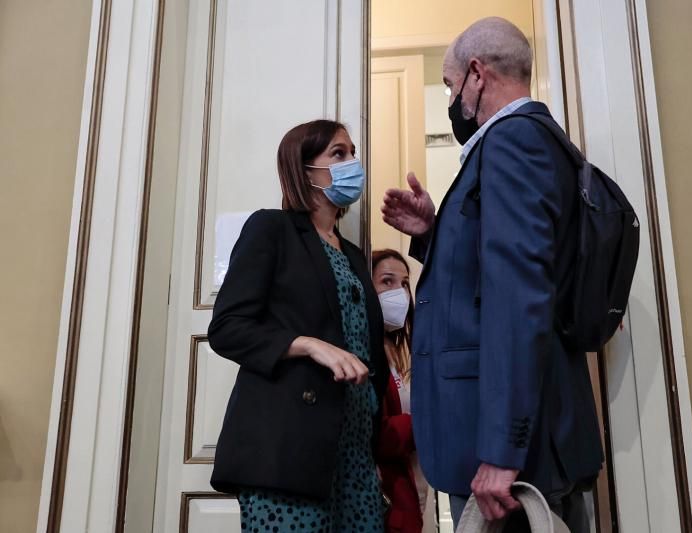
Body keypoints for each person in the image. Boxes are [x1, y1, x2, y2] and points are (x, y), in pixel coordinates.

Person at [381, 17, 603, 532]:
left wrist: (503, 449)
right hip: (515, 446)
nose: (450, 97)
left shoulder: (510, 143)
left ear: (476, 75)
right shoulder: (530, 142)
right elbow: (503, 270)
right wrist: (433, 232)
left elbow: (518, 298)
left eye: (448, 84)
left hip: (506, 462)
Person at [208, 119, 389, 533]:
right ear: (303, 168)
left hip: (355, 453)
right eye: (338, 154)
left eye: (352, 153)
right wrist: (306, 344)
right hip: (288, 448)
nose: (352, 163)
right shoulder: (272, 229)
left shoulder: (356, 256)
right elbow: (228, 327)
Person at [372, 249, 428, 533]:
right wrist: (426, 423)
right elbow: (376, 435)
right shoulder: (364, 354)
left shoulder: (402, 354)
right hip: (388, 495)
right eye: (387, 281)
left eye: (404, 284)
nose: (399, 292)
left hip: (413, 487)